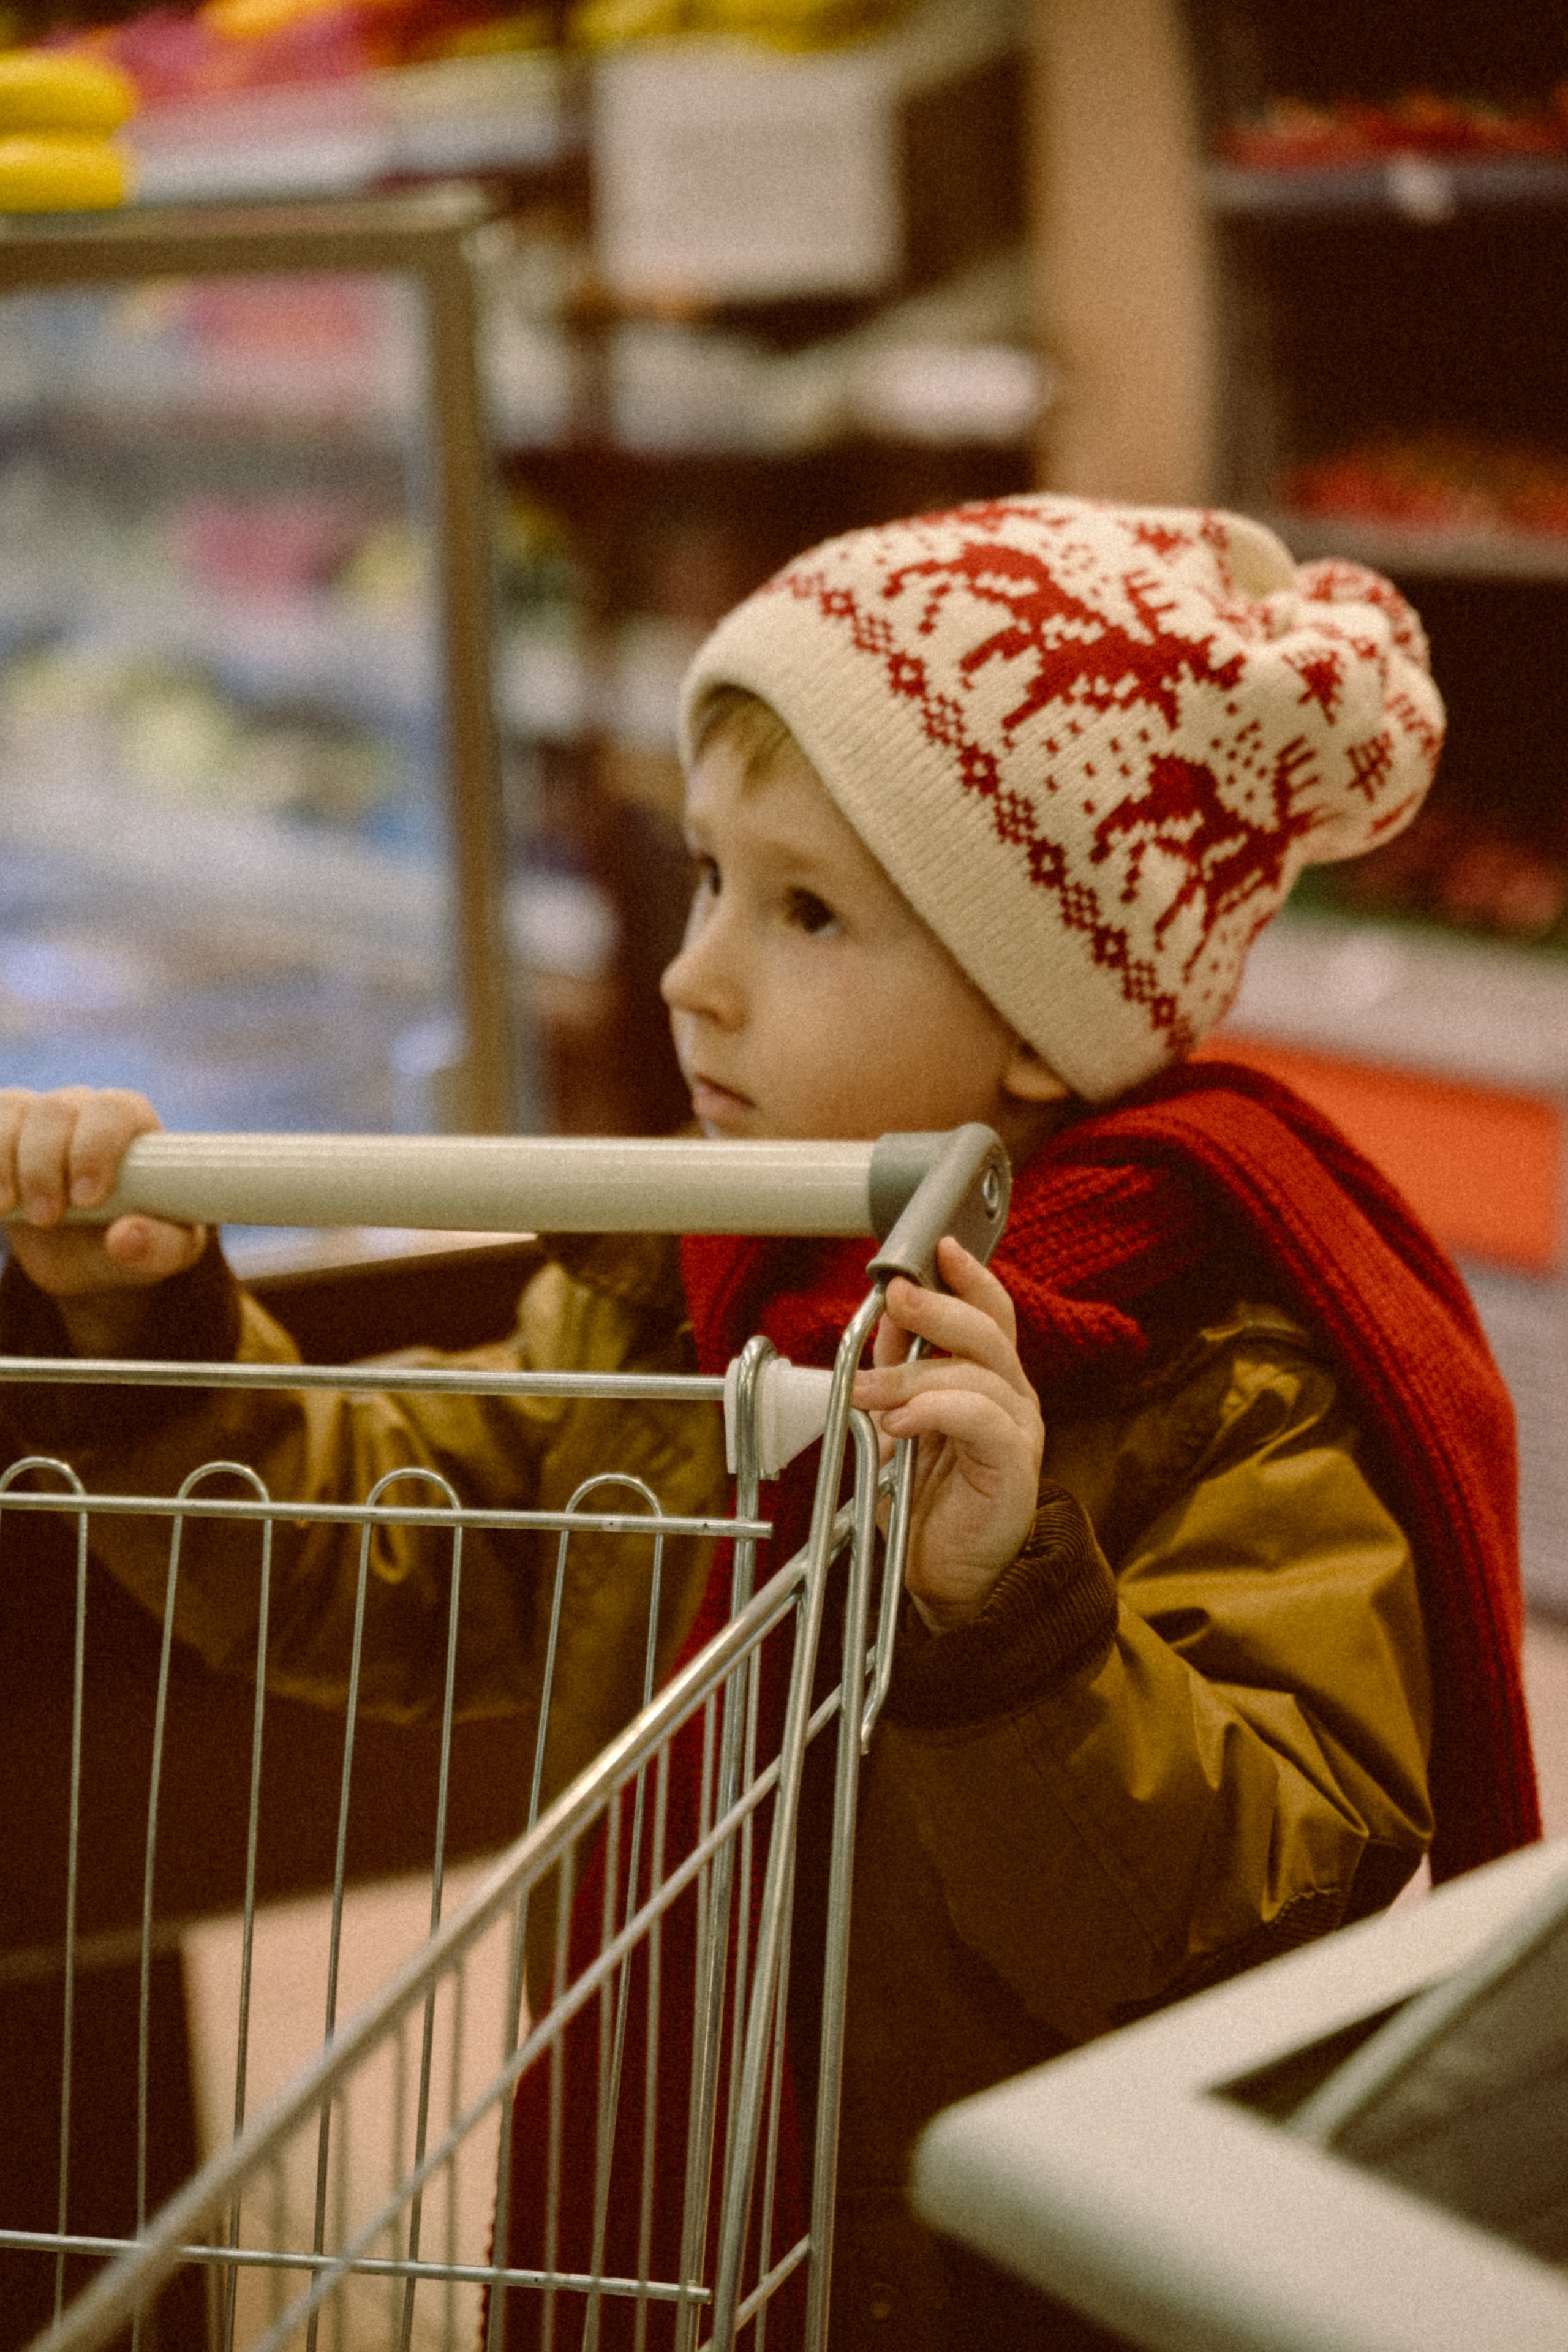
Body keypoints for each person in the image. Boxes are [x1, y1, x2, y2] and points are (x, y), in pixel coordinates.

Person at [0, 495, 1540, 2350]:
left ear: (1047, 1023)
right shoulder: (681, 1288)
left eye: (805, 909)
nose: (692, 969)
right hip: (671, 2239)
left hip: (978, 2273)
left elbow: (1269, 1920)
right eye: (708, 874)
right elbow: (385, 1551)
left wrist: (1011, 1623)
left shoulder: (1224, 1377)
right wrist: (147, 1313)